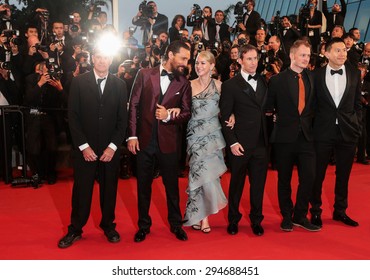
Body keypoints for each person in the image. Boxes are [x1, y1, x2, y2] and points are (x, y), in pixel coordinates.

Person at [57, 47, 128, 248]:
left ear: (110, 59)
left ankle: (108, 226)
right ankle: (75, 229)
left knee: (109, 190)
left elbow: (122, 121)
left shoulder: (120, 85)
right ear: (93, 59)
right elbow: (73, 117)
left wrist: (113, 147)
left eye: (106, 56)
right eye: (99, 57)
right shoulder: (78, 82)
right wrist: (84, 146)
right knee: (81, 191)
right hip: (84, 150)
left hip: (110, 150)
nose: (102, 60)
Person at [127, 40, 192, 242]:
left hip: (169, 142)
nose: (185, 63)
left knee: (172, 187)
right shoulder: (145, 74)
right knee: (143, 186)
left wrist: (168, 116)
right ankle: (143, 226)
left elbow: (187, 113)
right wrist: (132, 135)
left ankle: (176, 224)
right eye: (183, 58)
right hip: (144, 141)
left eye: (188, 59)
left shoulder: (184, 82)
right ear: (171, 55)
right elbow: (134, 105)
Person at [267, 40, 320, 232]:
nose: (306, 58)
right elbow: (267, 108)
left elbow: (314, 107)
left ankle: (300, 215)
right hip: (284, 138)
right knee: (284, 179)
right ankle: (287, 216)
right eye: (303, 55)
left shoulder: (312, 78)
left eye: (308, 55)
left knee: (309, 177)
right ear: (292, 56)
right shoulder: (277, 80)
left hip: (307, 136)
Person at [310, 37, 362, 228]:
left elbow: (357, 104)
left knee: (344, 175)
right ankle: (315, 211)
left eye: (344, 50)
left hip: (348, 132)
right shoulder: (315, 75)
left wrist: (357, 125)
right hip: (323, 132)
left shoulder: (355, 73)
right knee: (318, 174)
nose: (342, 54)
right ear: (327, 53)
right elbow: (311, 106)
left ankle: (341, 211)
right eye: (338, 50)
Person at [219, 44, 269, 236]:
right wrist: (232, 142)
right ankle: (233, 220)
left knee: (258, 185)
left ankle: (257, 220)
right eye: (249, 58)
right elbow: (225, 116)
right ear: (239, 60)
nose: (253, 62)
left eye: (255, 58)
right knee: (236, 185)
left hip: (261, 144)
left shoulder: (264, 82)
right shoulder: (230, 85)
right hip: (240, 144)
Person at [183, 51, 231, 233]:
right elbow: (183, 109)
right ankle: (199, 216)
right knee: (197, 177)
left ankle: (204, 218)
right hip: (195, 137)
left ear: (212, 66)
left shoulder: (220, 86)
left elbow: (227, 108)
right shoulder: (189, 86)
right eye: (197, 63)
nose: (199, 66)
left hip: (212, 138)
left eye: (203, 63)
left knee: (210, 178)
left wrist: (232, 115)